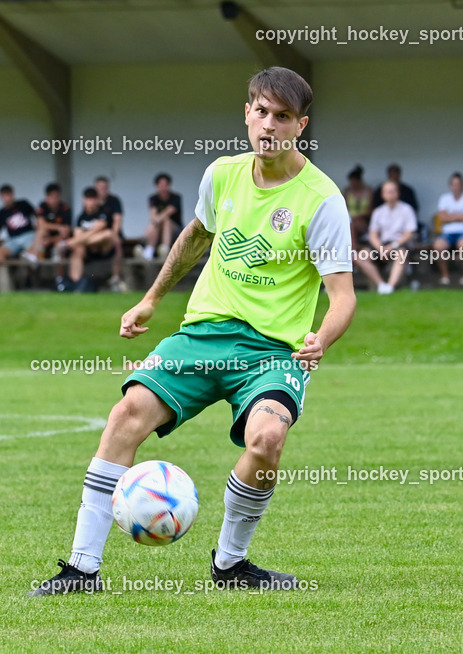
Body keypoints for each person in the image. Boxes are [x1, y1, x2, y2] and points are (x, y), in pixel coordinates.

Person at [30, 66, 356, 596]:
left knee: (267, 439)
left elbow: (343, 296)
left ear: (301, 125)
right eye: (261, 111)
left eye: (282, 116)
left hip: (273, 352)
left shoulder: (322, 199)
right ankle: (82, 570)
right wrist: (151, 298)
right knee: (125, 415)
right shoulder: (222, 174)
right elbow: (196, 236)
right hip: (203, 335)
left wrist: (322, 337)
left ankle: (231, 565)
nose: (268, 125)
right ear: (246, 113)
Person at [355, 179, 416, 294]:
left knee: (401, 254)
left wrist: (392, 246)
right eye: (387, 191)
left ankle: (390, 286)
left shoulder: (407, 209)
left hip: (399, 243)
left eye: (393, 191)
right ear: (382, 194)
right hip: (382, 244)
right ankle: (381, 285)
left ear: (398, 193)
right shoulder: (378, 212)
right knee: (360, 257)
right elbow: (373, 235)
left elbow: (409, 233)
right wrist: (381, 249)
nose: (390, 194)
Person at [65, 187, 115, 292]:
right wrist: (80, 239)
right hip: (87, 250)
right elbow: (77, 234)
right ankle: (76, 284)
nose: (90, 202)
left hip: (102, 249)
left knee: (108, 234)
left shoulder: (103, 212)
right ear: (84, 200)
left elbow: (100, 228)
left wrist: (75, 240)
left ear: (97, 200)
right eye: (88, 199)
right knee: (77, 250)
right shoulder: (81, 217)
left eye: (92, 199)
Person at [432, 172, 463, 285]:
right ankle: (445, 276)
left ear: (462, 185)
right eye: (454, 184)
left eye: (458, 184)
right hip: (447, 233)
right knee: (438, 247)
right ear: (450, 186)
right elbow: (442, 218)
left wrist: (450, 217)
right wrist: (460, 216)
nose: (456, 186)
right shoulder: (444, 198)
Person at [137, 173, 182, 261]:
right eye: (161, 185)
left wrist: (156, 221)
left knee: (166, 221)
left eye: (165, 185)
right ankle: (149, 252)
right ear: (157, 186)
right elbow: (152, 214)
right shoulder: (153, 198)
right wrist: (155, 221)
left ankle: (164, 248)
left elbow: (169, 211)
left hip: (175, 229)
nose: (163, 188)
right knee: (156, 223)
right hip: (158, 228)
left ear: (169, 185)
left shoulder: (176, 197)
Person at [95, 176, 128, 292]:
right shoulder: (92, 201)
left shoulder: (114, 200)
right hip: (97, 237)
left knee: (116, 242)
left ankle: (116, 277)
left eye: (105, 187)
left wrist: (113, 235)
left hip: (112, 235)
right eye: (100, 187)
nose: (102, 190)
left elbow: (117, 221)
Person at [0, 185, 37, 263]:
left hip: (29, 235)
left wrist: (38, 231)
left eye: (9, 194)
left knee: (33, 253)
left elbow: (38, 216)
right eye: (5, 195)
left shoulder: (23, 204)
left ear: (12, 194)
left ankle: (30, 270)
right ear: (2, 197)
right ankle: (10, 270)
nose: (8, 197)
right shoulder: (2, 213)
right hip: (13, 240)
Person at [343, 164, 373, 245]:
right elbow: (343, 208)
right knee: (352, 224)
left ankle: (354, 247)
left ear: (359, 181)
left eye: (354, 182)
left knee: (356, 223)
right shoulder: (347, 192)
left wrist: (360, 216)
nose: (353, 184)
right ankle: (354, 247)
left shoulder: (369, 191)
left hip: (364, 220)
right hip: (350, 219)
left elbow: (371, 210)